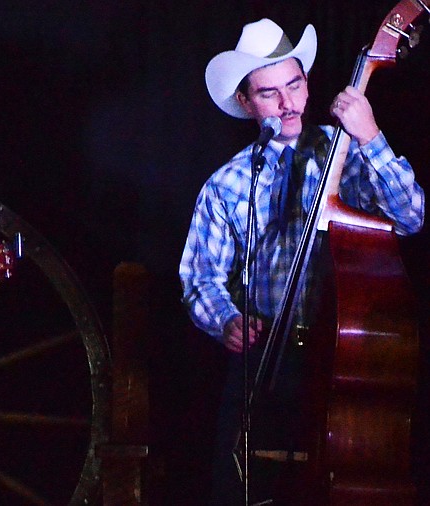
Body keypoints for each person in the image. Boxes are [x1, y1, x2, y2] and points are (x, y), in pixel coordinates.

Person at [180, 18, 424, 504]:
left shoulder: (348, 157)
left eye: (294, 85)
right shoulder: (226, 184)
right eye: (270, 94)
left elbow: (412, 215)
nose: (288, 103)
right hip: (262, 363)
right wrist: (225, 319)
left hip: (339, 356)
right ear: (247, 104)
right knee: (242, 489)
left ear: (307, 84)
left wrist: (370, 135)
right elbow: (200, 277)